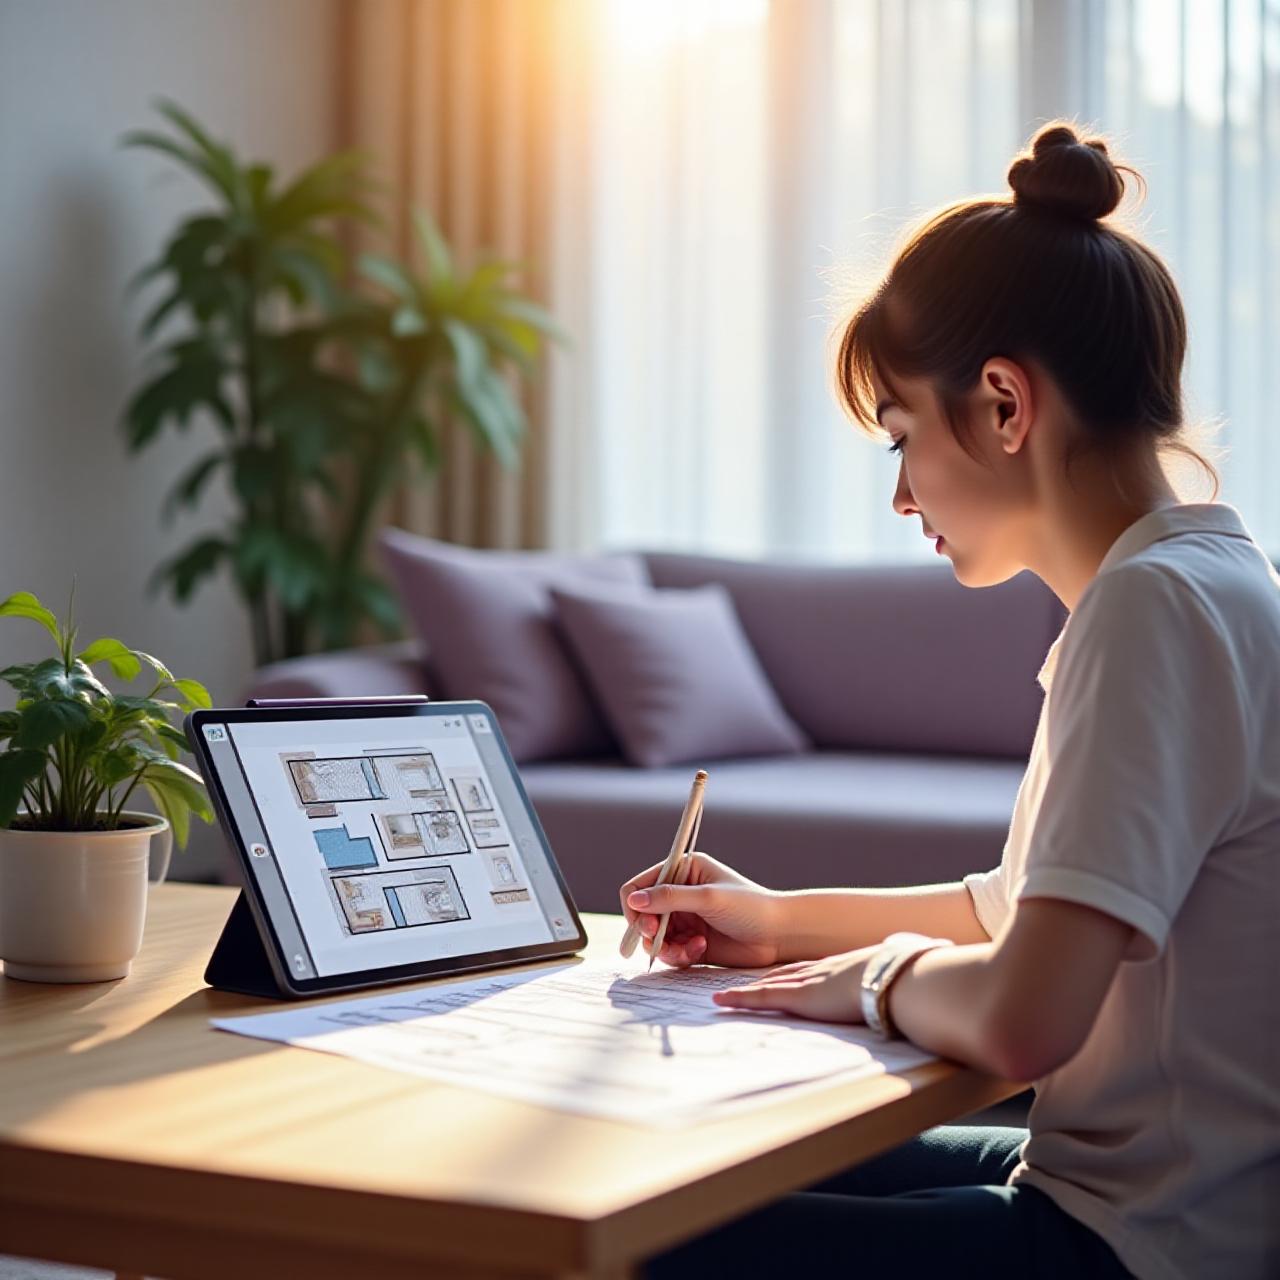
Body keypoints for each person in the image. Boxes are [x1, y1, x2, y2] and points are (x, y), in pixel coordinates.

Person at [620, 121, 1280, 1280]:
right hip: (1137, 1190)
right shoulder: (1208, 581)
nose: (899, 496)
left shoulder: (1150, 614)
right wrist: (773, 919)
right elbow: (1014, 907)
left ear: (1002, 405)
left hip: (1137, 1244)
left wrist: (867, 979)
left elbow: (1024, 1018)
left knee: (634, 1236)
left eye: (899, 437)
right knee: (699, 1155)